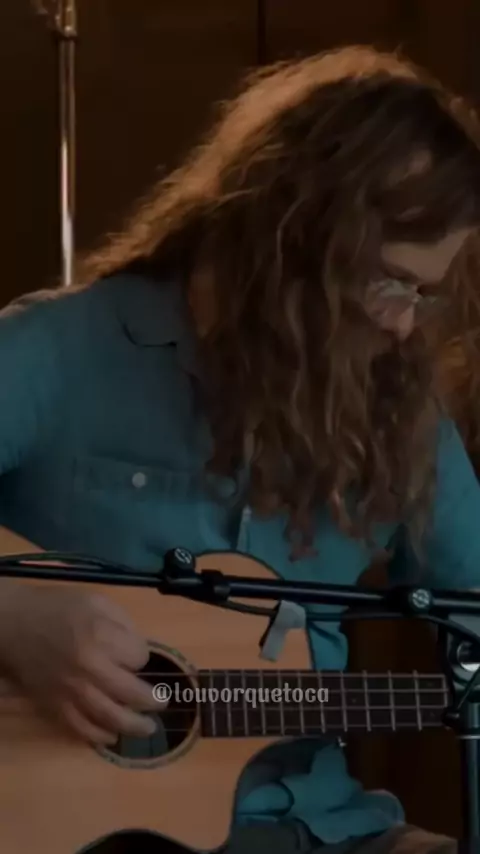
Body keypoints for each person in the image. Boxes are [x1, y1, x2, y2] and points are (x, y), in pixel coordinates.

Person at [0, 44, 479, 853]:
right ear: (291, 239)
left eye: (425, 294)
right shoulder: (60, 349)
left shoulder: (398, 409)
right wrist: (13, 613)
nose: (403, 324)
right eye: (391, 281)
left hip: (327, 830)